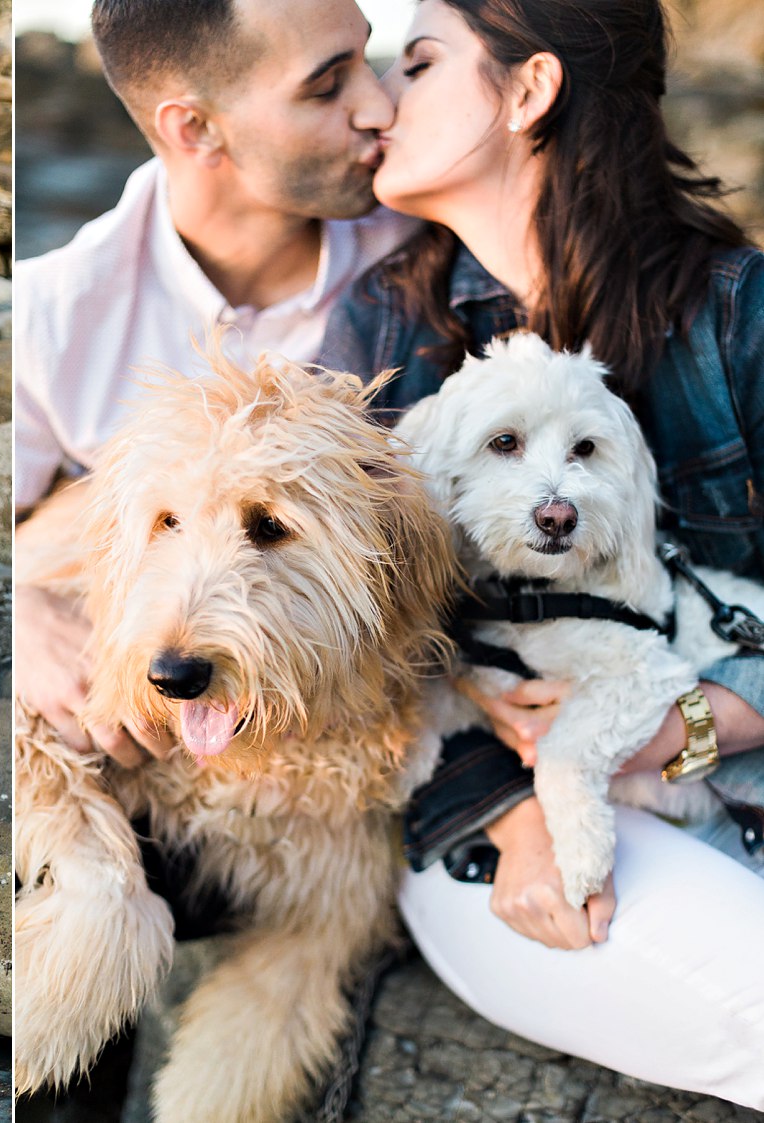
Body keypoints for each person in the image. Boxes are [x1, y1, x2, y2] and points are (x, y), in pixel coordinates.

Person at [321, 0, 764, 1106]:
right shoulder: (382, 336)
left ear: (529, 92)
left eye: (417, 64)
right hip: (481, 803)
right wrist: (517, 816)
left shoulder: (740, 317)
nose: (378, 105)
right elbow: (351, 650)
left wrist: (694, 723)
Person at [14, 0, 419, 764]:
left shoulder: (435, 247)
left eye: (370, 59)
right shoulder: (48, 317)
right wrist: (23, 613)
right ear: (193, 128)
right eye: (328, 86)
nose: (381, 105)